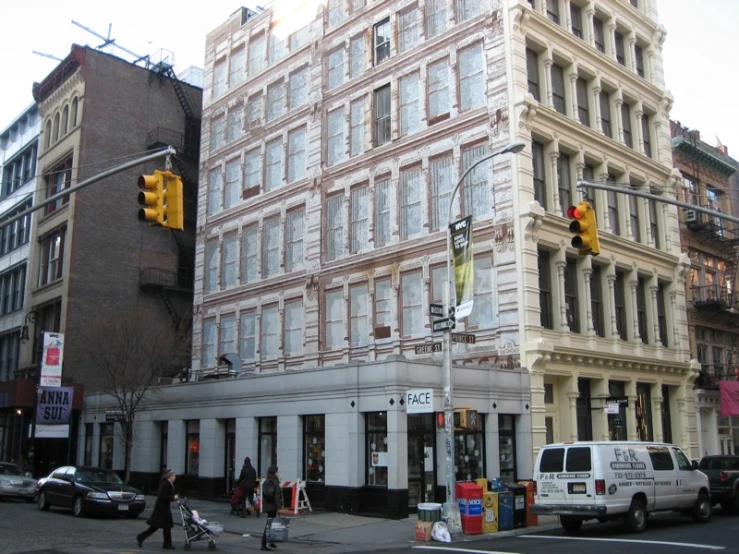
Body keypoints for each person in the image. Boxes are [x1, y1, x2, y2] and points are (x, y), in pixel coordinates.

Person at [137, 469, 178, 550]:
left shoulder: (168, 483)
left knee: (165, 526)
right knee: (158, 526)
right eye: (173, 475)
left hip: (164, 508)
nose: (175, 477)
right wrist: (173, 497)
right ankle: (141, 537)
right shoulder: (166, 484)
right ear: (169, 476)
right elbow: (162, 496)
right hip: (162, 509)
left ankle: (167, 544)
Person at [261, 466, 281, 551]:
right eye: (277, 471)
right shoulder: (275, 481)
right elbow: (276, 496)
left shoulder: (266, 481)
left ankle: (271, 541)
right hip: (273, 506)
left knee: (271, 524)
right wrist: (278, 507)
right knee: (269, 525)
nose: (278, 473)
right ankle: (263, 543)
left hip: (267, 505)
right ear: (275, 472)